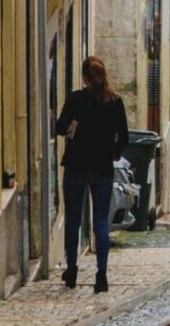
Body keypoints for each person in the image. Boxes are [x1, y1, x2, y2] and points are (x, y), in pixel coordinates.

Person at [55, 55, 129, 294]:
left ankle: (72, 271)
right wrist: (114, 154)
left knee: (73, 220)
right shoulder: (115, 102)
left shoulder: (76, 99)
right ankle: (101, 276)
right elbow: (124, 136)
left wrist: (73, 124)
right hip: (102, 168)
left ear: (85, 77)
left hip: (76, 166)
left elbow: (59, 128)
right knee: (100, 223)